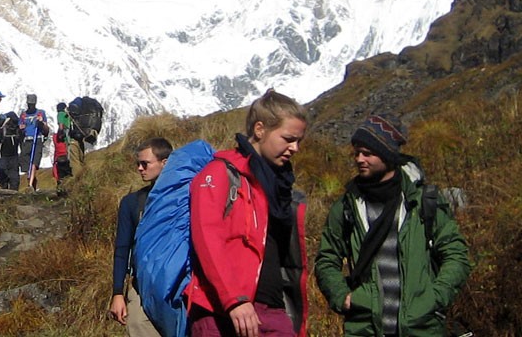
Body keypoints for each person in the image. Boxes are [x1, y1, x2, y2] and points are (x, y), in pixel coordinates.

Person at [313, 116, 473, 337]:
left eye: (367, 153)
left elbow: (456, 253)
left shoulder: (422, 201)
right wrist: (342, 297)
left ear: (387, 155)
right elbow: (326, 259)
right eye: (356, 153)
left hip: (421, 328)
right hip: (365, 329)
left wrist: (434, 297)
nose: (359, 159)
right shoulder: (347, 206)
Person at [187, 89, 309, 337]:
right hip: (222, 312)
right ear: (260, 129)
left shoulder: (281, 188)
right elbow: (206, 236)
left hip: (273, 310)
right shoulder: (221, 173)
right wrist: (234, 299)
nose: (295, 148)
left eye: (299, 141)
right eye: (288, 138)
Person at [110, 138, 173, 337]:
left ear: (165, 162)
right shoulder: (131, 203)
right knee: (137, 324)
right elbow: (122, 248)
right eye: (138, 163)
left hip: (177, 281)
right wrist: (118, 293)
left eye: (145, 163)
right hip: (142, 283)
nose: (139, 168)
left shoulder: (185, 197)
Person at [19, 95, 51, 189]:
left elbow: (46, 130)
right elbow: (20, 127)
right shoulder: (23, 115)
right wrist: (21, 128)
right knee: (26, 164)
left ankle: (30, 185)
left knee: (34, 163)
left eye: (32, 104)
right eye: (29, 104)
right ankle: (33, 183)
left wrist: (41, 122)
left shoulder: (41, 113)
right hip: (27, 140)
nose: (31, 106)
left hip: (37, 139)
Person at [0, 111, 23, 191]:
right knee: (14, 179)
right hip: (13, 157)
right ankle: (14, 195)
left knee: (4, 179)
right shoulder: (17, 130)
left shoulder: (2, 131)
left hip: (5, 157)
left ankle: (4, 196)